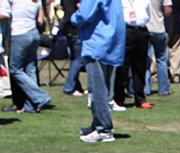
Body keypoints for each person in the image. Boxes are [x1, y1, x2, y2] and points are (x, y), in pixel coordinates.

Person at [73, 0, 125, 142]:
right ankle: (97, 124)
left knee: (97, 88)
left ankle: (103, 128)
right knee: (104, 87)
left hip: (97, 41)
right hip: (112, 41)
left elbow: (84, 15)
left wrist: (73, 18)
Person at [3, 0, 53, 113]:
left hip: (20, 33)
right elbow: (40, 20)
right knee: (30, 69)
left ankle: (40, 96)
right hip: (33, 32)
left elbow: (5, 13)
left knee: (15, 69)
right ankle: (31, 105)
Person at [114, 0, 152, 109]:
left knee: (140, 66)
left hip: (141, 30)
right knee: (123, 67)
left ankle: (140, 98)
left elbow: (148, 15)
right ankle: (119, 98)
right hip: (126, 30)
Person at [60, 0, 87, 96]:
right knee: (79, 59)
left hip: (68, 27)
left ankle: (77, 87)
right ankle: (69, 87)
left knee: (74, 58)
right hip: (75, 27)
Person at [146, 0, 171, 96]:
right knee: (161, 59)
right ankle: (163, 89)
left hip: (146, 27)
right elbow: (168, 10)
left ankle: (146, 88)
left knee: (146, 60)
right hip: (159, 28)